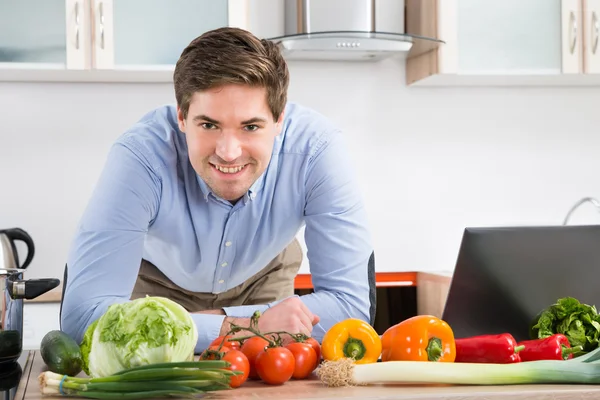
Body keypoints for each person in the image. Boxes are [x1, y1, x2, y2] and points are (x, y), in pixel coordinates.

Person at [60, 27, 375, 353]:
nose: (228, 152)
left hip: (263, 279)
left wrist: (211, 323)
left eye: (250, 126)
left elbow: (351, 307)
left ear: (279, 120)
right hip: (157, 288)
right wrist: (238, 326)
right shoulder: (140, 158)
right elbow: (82, 320)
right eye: (208, 125)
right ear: (182, 117)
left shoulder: (317, 150)